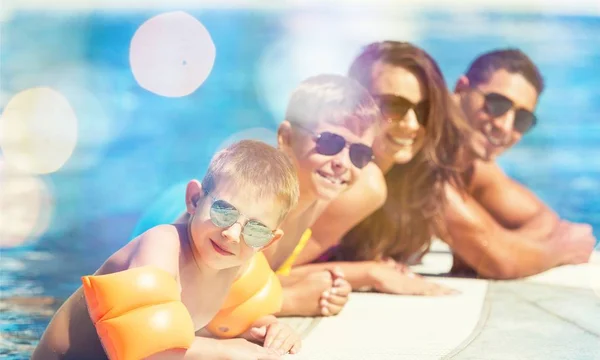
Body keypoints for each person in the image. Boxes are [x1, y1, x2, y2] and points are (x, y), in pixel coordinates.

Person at [32, 140, 302, 360]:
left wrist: (268, 328)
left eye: (254, 230)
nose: (232, 234)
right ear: (194, 200)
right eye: (223, 212)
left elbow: (241, 315)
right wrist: (224, 351)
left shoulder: (238, 263)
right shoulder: (161, 248)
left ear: (267, 241)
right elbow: (145, 349)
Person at [288, 41, 470, 295]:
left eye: (424, 110)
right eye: (394, 106)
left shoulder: (399, 180)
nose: (411, 124)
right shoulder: (364, 182)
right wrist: (370, 273)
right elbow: (269, 272)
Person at [445, 48, 596, 279]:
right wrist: (562, 249)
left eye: (522, 119)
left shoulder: (471, 167)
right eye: (497, 104)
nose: (505, 126)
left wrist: (507, 245)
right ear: (461, 89)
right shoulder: (423, 159)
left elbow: (544, 219)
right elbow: (497, 262)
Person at [266, 74, 382, 315]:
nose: (342, 163)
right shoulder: (259, 203)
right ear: (286, 138)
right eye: (330, 143)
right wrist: (290, 301)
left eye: (359, 154)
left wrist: (326, 286)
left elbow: (260, 276)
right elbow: (199, 296)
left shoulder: (314, 201)